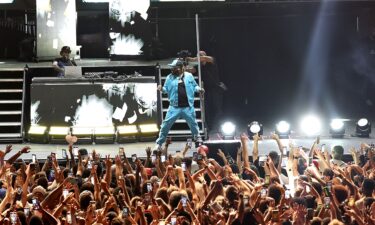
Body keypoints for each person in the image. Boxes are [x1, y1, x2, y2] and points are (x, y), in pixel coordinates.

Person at [154, 59, 204, 150]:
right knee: (165, 125)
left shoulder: (189, 76)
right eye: (172, 68)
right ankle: (159, 143)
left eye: (175, 68)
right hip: (174, 107)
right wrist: (161, 89)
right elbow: (166, 89)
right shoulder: (169, 77)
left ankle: (197, 141)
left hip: (187, 107)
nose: (172, 69)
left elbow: (194, 86)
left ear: (181, 68)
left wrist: (199, 89)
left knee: (193, 124)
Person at [187, 51, 226, 133]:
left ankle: (217, 126)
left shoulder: (211, 60)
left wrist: (191, 59)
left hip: (216, 89)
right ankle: (209, 127)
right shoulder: (199, 67)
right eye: (198, 56)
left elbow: (205, 58)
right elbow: (191, 70)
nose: (200, 57)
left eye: (201, 55)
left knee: (217, 109)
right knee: (207, 109)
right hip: (207, 90)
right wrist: (183, 67)